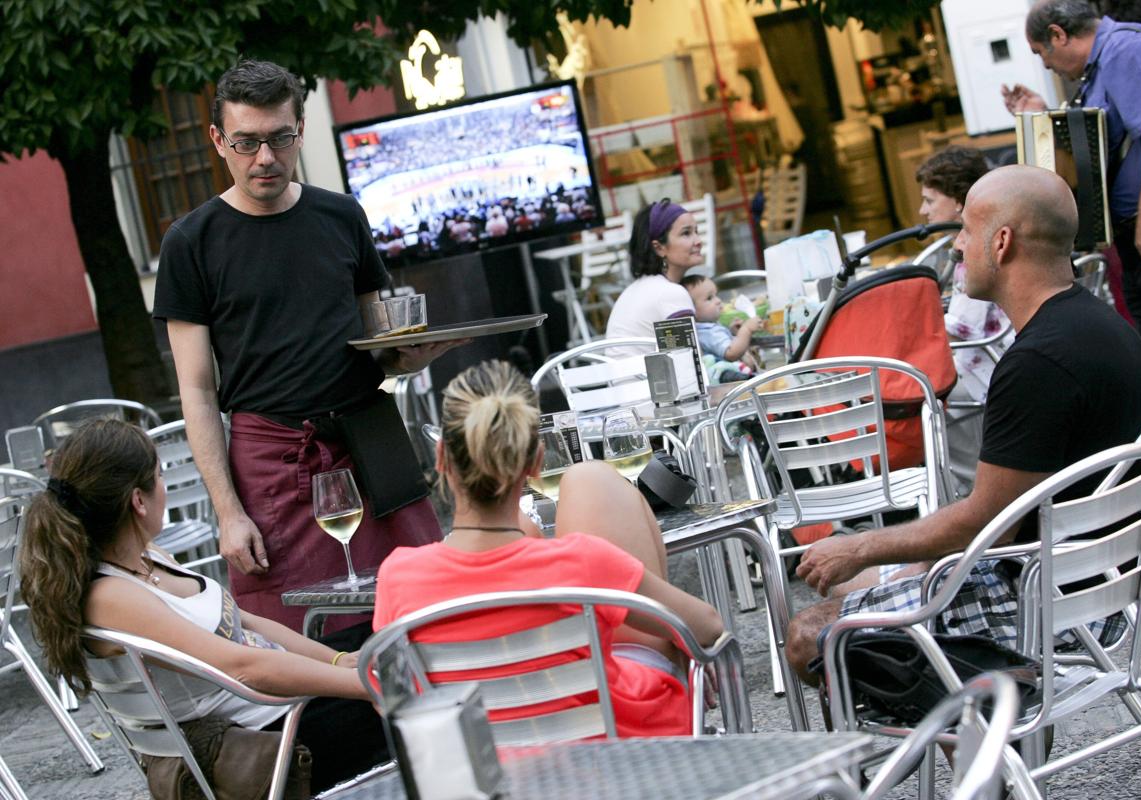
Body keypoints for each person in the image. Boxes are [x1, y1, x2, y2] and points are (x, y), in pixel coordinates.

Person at [784, 166, 1141, 682]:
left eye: (965, 230)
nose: (957, 246)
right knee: (863, 583)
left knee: (810, 635)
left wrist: (858, 544)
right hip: (1107, 580)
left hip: (1048, 603)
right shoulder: (1101, 325)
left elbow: (987, 525)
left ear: (1002, 242)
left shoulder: (1036, 363)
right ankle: (987, 727)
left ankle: (986, 745)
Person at [153, 59, 457, 633]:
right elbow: (196, 389)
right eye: (246, 142)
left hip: (369, 438)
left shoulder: (342, 216)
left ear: (301, 130)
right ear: (219, 140)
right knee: (300, 633)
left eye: (279, 138)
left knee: (422, 614)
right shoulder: (190, 242)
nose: (264, 157)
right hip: (272, 457)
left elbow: (379, 338)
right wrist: (227, 511)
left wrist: (406, 358)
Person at [18, 420, 389, 793]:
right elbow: (242, 666)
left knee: (394, 634)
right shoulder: (110, 596)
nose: (164, 486)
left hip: (283, 700)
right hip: (274, 737)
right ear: (138, 500)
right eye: (159, 475)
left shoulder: (147, 558)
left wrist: (337, 662)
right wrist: (367, 684)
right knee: (415, 675)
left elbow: (246, 623)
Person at [372, 361, 724, 737]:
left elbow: (395, 696)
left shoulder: (398, 576)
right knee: (591, 481)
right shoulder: (580, 563)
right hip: (617, 753)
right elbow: (708, 627)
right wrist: (678, 638)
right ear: (537, 462)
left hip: (484, 762)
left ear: (441, 458)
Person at [1001, 0, 1141, 516]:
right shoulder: (1101, 67)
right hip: (1135, 229)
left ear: (1059, 34)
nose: (1046, 65)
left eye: (1043, 54)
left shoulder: (1127, 48)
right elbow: (1096, 143)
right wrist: (1040, 114)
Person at [915, 147, 1014, 491]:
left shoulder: (973, 251)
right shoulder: (993, 232)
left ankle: (970, 493)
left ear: (959, 201)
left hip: (985, 369)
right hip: (999, 356)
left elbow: (959, 334)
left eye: (929, 200)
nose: (922, 210)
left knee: (913, 396)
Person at [604, 199, 701, 347]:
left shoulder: (636, 289)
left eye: (696, 231)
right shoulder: (670, 293)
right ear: (659, 248)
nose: (698, 241)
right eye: (686, 233)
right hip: (647, 370)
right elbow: (686, 361)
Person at [679, 273, 761, 381]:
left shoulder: (710, 327)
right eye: (709, 298)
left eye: (715, 295)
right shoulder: (707, 332)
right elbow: (731, 353)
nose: (718, 300)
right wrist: (746, 330)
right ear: (691, 311)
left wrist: (733, 333)